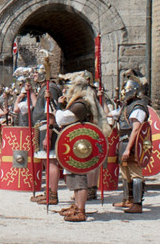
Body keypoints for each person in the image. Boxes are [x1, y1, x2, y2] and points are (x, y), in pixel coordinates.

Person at [52, 71, 105, 223]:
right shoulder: (80, 102)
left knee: (79, 177)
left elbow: (62, 119)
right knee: (73, 176)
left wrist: (58, 107)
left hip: (80, 147)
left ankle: (81, 210)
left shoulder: (81, 104)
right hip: (75, 145)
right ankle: (76, 206)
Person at [113, 69, 150, 215]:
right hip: (124, 142)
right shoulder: (126, 107)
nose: (123, 93)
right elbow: (112, 115)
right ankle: (127, 199)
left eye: (126, 90)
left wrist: (128, 149)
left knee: (135, 174)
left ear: (133, 91)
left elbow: (136, 130)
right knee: (125, 173)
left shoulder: (138, 107)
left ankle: (137, 203)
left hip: (133, 144)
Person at [29, 65, 64, 206]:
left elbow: (52, 114)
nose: (34, 76)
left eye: (37, 73)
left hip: (49, 129)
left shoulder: (51, 89)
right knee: (46, 161)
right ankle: (47, 192)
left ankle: (53, 195)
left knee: (51, 161)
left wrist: (47, 136)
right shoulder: (44, 89)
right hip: (43, 128)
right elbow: (39, 106)